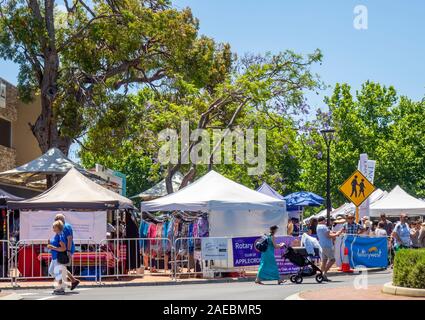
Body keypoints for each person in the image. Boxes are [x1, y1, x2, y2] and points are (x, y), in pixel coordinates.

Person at [54, 214, 80, 290]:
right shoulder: (64, 227)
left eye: (56, 220)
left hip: (66, 249)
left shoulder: (66, 227)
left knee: (61, 267)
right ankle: (72, 281)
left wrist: (68, 250)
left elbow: (70, 239)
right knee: (62, 267)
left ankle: (62, 285)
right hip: (65, 249)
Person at [47, 220, 67, 295]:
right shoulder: (56, 235)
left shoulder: (60, 235)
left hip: (58, 257)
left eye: (54, 226)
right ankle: (61, 284)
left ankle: (61, 288)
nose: (53, 228)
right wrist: (49, 244)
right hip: (54, 257)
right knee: (51, 271)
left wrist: (53, 247)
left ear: (58, 227)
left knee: (56, 273)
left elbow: (63, 248)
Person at [316, 216, 338, 282]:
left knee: (324, 261)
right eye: (325, 221)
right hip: (327, 245)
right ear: (323, 220)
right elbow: (328, 235)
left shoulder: (318, 226)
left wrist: (335, 233)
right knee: (332, 259)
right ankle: (324, 273)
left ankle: (323, 275)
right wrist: (336, 234)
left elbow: (328, 233)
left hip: (322, 245)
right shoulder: (323, 227)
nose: (325, 222)